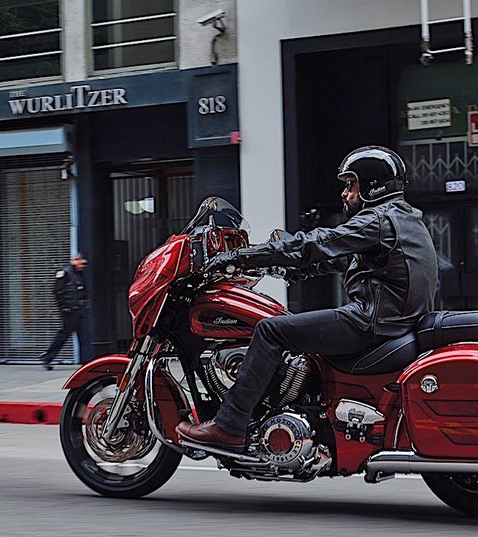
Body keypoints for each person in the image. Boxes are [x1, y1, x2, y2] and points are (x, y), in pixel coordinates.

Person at [176, 146, 438, 448]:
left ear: (371, 185)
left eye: (350, 185)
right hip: (390, 319)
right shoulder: (403, 218)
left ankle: (229, 425)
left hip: (373, 321)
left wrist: (240, 257)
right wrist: (290, 270)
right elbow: (339, 259)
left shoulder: (378, 220)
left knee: (270, 330)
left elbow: (319, 243)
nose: (344, 193)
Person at [40, 252, 91, 370]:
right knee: (63, 335)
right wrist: (64, 308)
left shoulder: (80, 274)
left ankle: (87, 362)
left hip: (81, 310)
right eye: (81, 263)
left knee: (86, 335)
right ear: (75, 260)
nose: (82, 266)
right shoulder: (65, 273)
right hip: (70, 311)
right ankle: (47, 357)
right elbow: (58, 292)